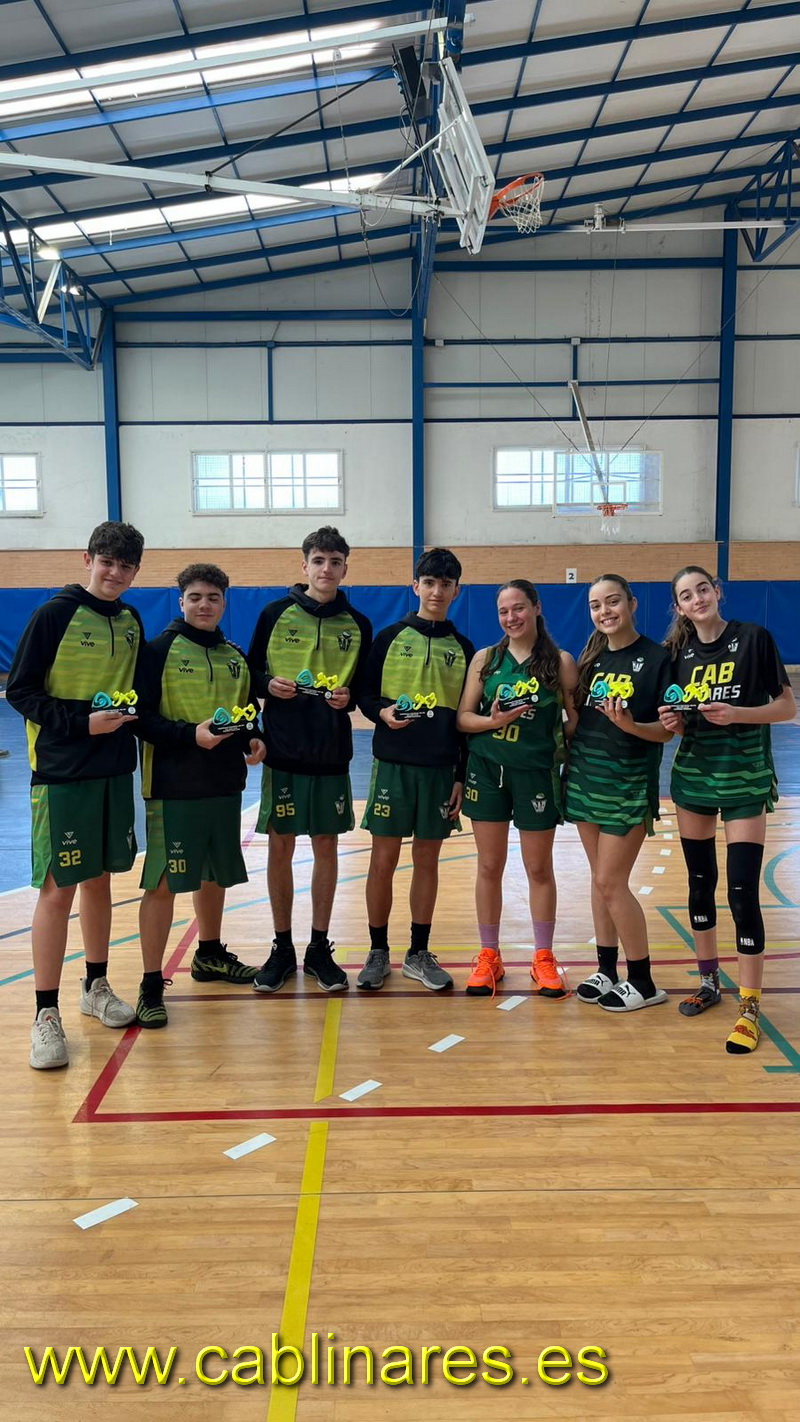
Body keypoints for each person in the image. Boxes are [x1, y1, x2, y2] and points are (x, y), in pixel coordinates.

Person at [7, 521, 145, 1069]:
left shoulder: (131, 621)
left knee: (100, 880)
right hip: (61, 770)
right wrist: (81, 724)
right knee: (57, 889)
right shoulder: (54, 615)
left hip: (114, 770)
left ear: (136, 572)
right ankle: (45, 1014)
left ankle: (95, 985)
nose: (115, 573)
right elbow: (20, 691)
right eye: (106, 562)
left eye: (125, 566)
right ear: (87, 559)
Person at [658, 564, 796, 1054]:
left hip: (744, 778)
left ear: (717, 592)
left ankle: (750, 1005)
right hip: (693, 778)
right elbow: (677, 722)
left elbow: (787, 708)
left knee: (741, 893)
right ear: (679, 607)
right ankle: (709, 982)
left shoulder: (754, 639)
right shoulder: (676, 654)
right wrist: (673, 723)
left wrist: (738, 713)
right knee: (700, 885)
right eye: (686, 595)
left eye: (703, 589)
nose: (697, 599)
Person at [134, 564, 265, 1028]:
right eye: (195, 597)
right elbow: (140, 718)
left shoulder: (234, 655)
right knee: (163, 884)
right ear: (181, 601)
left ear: (224, 602)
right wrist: (190, 735)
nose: (204, 604)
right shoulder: (157, 651)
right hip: (174, 786)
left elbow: (246, 713)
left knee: (213, 874)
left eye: (213, 597)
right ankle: (150, 984)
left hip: (225, 784)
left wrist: (253, 737)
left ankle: (208, 953)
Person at [247, 527, 372, 993]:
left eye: (335, 561)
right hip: (283, 750)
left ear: (345, 568)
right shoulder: (274, 613)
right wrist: (267, 684)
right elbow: (249, 674)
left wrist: (349, 697)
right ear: (305, 566)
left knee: (326, 846)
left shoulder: (358, 624)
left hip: (331, 752)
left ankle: (319, 947)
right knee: (280, 846)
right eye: (318, 560)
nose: (326, 569)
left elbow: (364, 689)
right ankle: (282, 947)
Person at [356, 548, 475, 992]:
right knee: (382, 860)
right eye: (429, 583)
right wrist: (382, 713)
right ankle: (377, 951)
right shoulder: (389, 638)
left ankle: (418, 953)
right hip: (393, 766)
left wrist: (461, 775)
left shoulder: (465, 649)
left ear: (456, 591)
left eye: (446, 585)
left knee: (427, 861)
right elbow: (364, 695)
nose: (437, 591)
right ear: (416, 587)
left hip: (440, 769)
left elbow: (466, 720)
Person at [456, 580, 577, 997]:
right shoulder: (486, 659)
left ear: (537, 608)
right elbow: (463, 718)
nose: (511, 617)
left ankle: (543, 957)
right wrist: (493, 722)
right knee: (489, 866)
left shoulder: (560, 662)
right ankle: (489, 955)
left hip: (536, 774)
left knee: (538, 869)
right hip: (487, 771)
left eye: (519, 608)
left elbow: (573, 723)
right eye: (504, 611)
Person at [566, 573, 672, 1013]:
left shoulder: (658, 658)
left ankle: (643, 981)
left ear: (631, 603)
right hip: (585, 779)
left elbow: (666, 731)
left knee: (611, 881)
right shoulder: (591, 659)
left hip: (628, 785)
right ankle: (606, 969)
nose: (604, 611)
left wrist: (631, 726)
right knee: (600, 879)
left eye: (612, 602)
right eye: (596, 605)